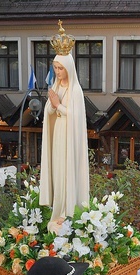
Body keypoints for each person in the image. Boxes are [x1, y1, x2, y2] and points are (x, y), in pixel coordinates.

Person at [38, 23, 90, 232]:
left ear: (69, 68)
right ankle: (58, 210)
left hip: (70, 137)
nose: (57, 72)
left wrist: (58, 105)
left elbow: (76, 117)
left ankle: (68, 211)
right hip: (58, 134)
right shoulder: (57, 86)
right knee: (59, 171)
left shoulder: (76, 91)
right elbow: (48, 113)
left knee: (68, 171)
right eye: (55, 68)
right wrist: (51, 106)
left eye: (61, 68)